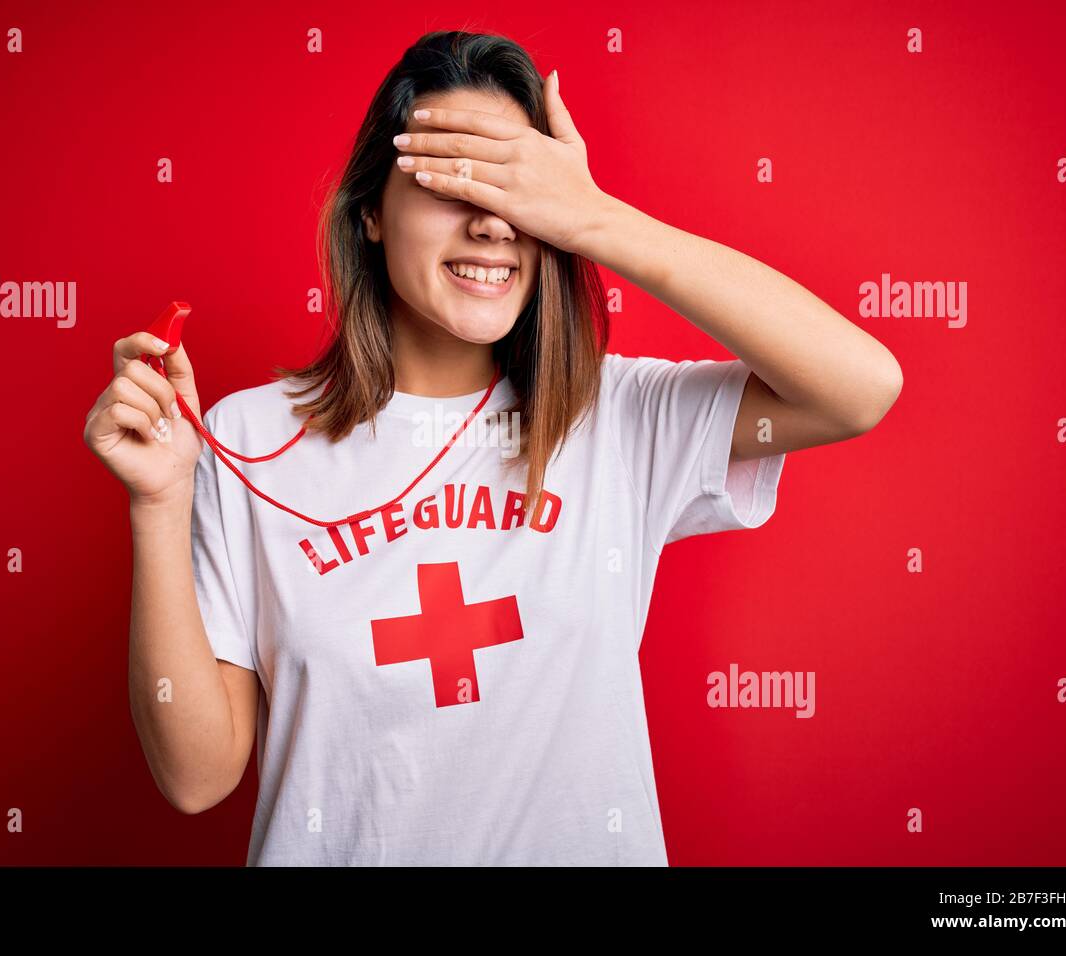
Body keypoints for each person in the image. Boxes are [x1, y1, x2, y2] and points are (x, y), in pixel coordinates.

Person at [83, 30, 902, 866]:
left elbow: (859, 386)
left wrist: (594, 216)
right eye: (449, 180)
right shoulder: (246, 440)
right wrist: (158, 502)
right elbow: (195, 776)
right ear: (371, 211)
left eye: (515, 186)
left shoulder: (614, 415)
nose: (491, 223)